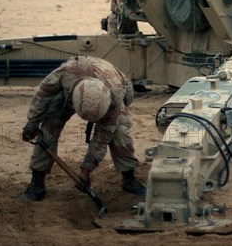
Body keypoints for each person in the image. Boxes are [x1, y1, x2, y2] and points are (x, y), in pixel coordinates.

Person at [19, 56, 147, 201]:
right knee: (48, 128)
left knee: (119, 132)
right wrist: (32, 122)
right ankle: (37, 183)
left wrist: (86, 169)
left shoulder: (114, 98)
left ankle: (129, 179)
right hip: (69, 92)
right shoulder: (67, 72)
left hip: (113, 87)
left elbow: (102, 138)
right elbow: (43, 94)